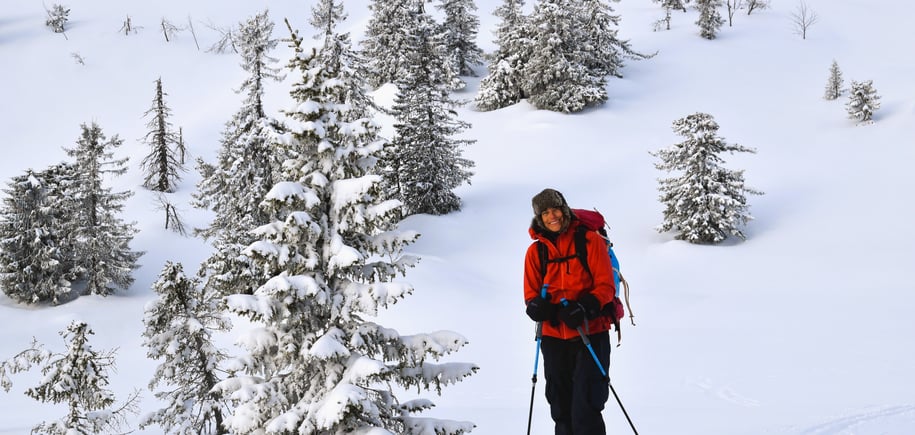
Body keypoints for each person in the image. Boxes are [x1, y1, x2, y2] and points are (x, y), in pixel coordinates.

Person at [524, 188, 617, 435]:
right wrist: (537, 308)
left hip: (590, 334)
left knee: (586, 408)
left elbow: (606, 286)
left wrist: (585, 306)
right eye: (545, 212)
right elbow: (530, 295)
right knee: (561, 409)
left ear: (564, 209)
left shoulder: (590, 241)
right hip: (554, 339)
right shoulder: (536, 252)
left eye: (555, 209)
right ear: (539, 218)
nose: (551, 216)